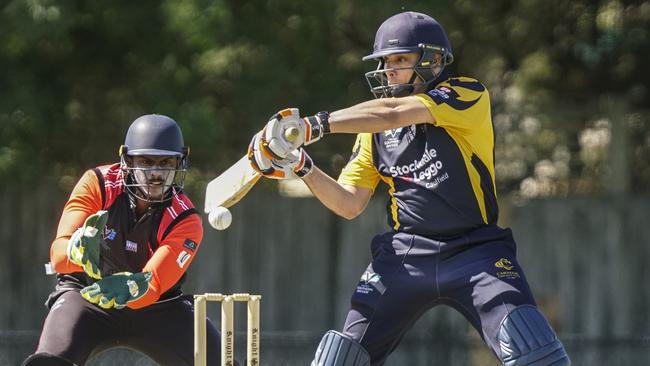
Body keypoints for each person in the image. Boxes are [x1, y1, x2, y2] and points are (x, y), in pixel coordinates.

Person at [248, 11, 571, 366]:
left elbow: (392, 112)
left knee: (536, 353)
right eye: (386, 61)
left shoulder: (466, 95)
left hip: (475, 251)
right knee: (340, 360)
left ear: (432, 60)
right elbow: (349, 203)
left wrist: (313, 125)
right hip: (405, 256)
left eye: (400, 59)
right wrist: (300, 164)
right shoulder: (371, 132)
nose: (389, 69)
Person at [23, 115, 224, 366]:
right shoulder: (98, 184)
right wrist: (75, 250)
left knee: (221, 363)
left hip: (158, 308)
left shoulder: (185, 219)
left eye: (166, 163)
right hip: (87, 296)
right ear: (127, 161)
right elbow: (58, 255)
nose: (156, 174)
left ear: (179, 163)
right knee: (47, 362)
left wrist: (132, 288)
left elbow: (154, 283)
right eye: (146, 162)